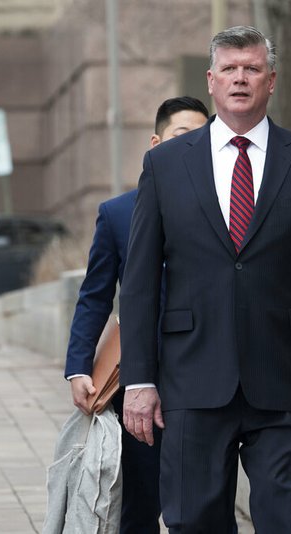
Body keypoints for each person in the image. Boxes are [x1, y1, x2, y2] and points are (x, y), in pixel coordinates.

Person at [119, 26, 291, 533]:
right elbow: (138, 281)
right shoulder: (164, 165)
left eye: (252, 68)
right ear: (211, 80)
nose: (240, 79)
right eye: (229, 69)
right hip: (191, 378)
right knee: (193, 521)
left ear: (271, 80)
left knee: (286, 522)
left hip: (282, 377)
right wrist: (139, 380)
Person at [64, 96, 209, 533]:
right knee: (139, 502)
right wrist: (78, 367)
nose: (193, 150)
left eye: (203, 140)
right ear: (155, 143)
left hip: (206, 374)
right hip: (139, 377)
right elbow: (95, 296)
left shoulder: (222, 211)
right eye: (183, 138)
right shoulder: (118, 213)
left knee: (204, 504)